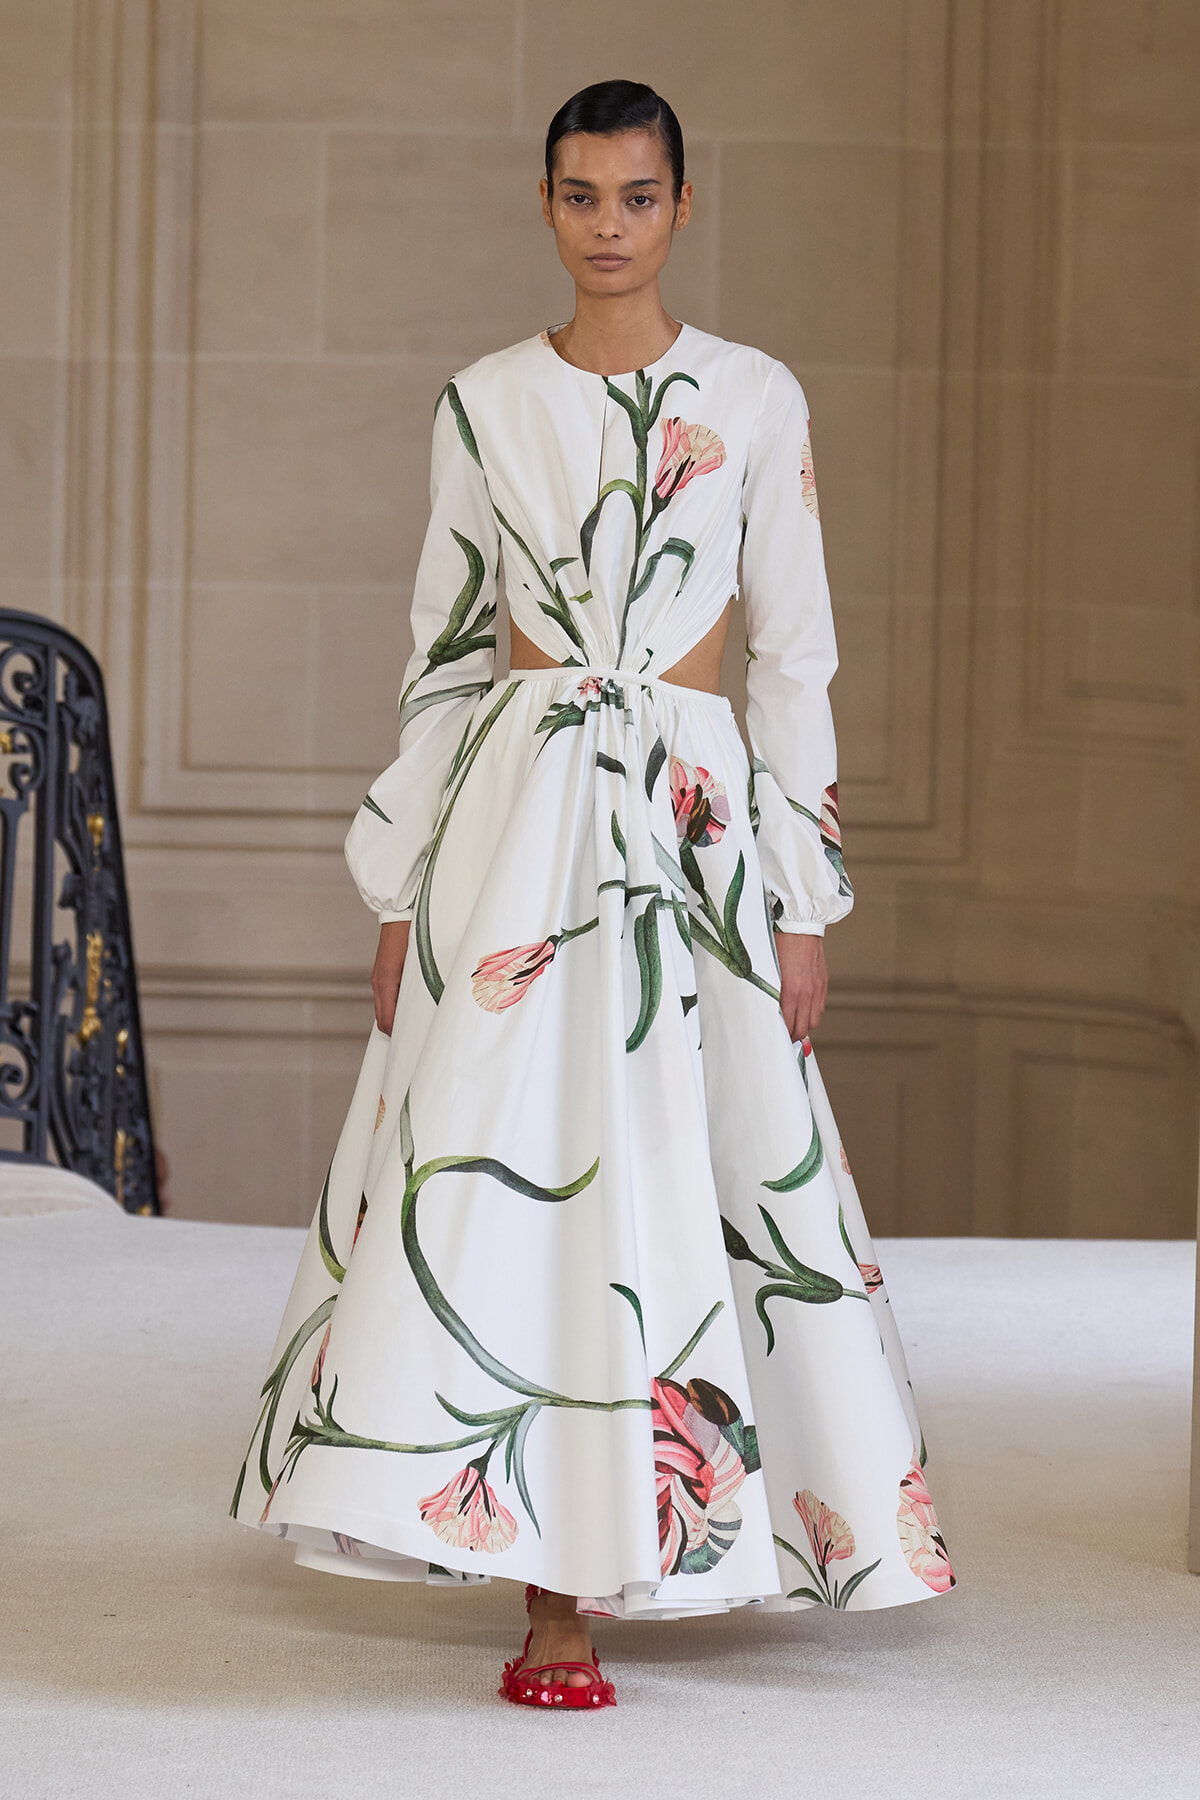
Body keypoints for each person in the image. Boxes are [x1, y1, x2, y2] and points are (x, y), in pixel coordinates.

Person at [231, 78, 955, 1711]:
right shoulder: (483, 404)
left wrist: (803, 894)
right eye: (579, 196)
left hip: (692, 833)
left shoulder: (756, 399)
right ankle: (553, 1589)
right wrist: (402, 885)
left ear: (681, 206)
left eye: (636, 197)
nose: (608, 225)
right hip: (520, 821)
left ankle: (695, 1527)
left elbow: (793, 654)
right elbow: (441, 656)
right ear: (545, 206)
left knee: (691, 1171)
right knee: (519, 1167)